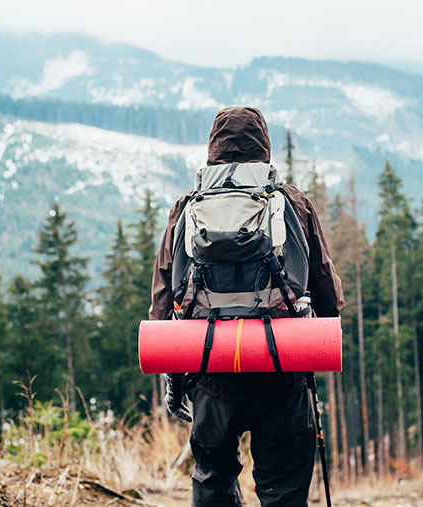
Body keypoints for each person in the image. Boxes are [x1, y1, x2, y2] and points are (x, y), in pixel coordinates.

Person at [149, 105, 344, 506]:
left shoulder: (187, 207)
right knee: (284, 487)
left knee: (214, 480)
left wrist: (174, 377)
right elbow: (327, 293)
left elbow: (162, 302)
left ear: (213, 150)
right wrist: (313, 342)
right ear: (264, 148)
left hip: (210, 372)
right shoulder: (291, 202)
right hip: (282, 370)